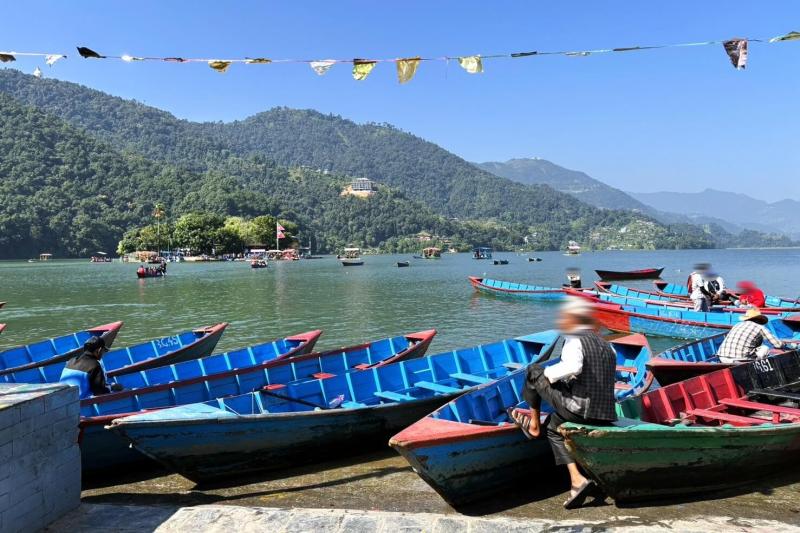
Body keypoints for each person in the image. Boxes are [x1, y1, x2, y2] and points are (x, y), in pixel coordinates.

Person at [508, 297, 617, 509]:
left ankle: (533, 426)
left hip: (580, 410)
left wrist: (548, 374)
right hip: (606, 413)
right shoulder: (607, 346)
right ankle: (577, 479)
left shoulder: (575, 339)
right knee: (554, 424)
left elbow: (573, 367)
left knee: (533, 372)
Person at [717, 309, 784, 364]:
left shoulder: (737, 324)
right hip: (740, 359)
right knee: (765, 348)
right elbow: (778, 344)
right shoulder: (759, 327)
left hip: (722, 357)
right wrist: (783, 343)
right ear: (758, 320)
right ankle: (757, 365)